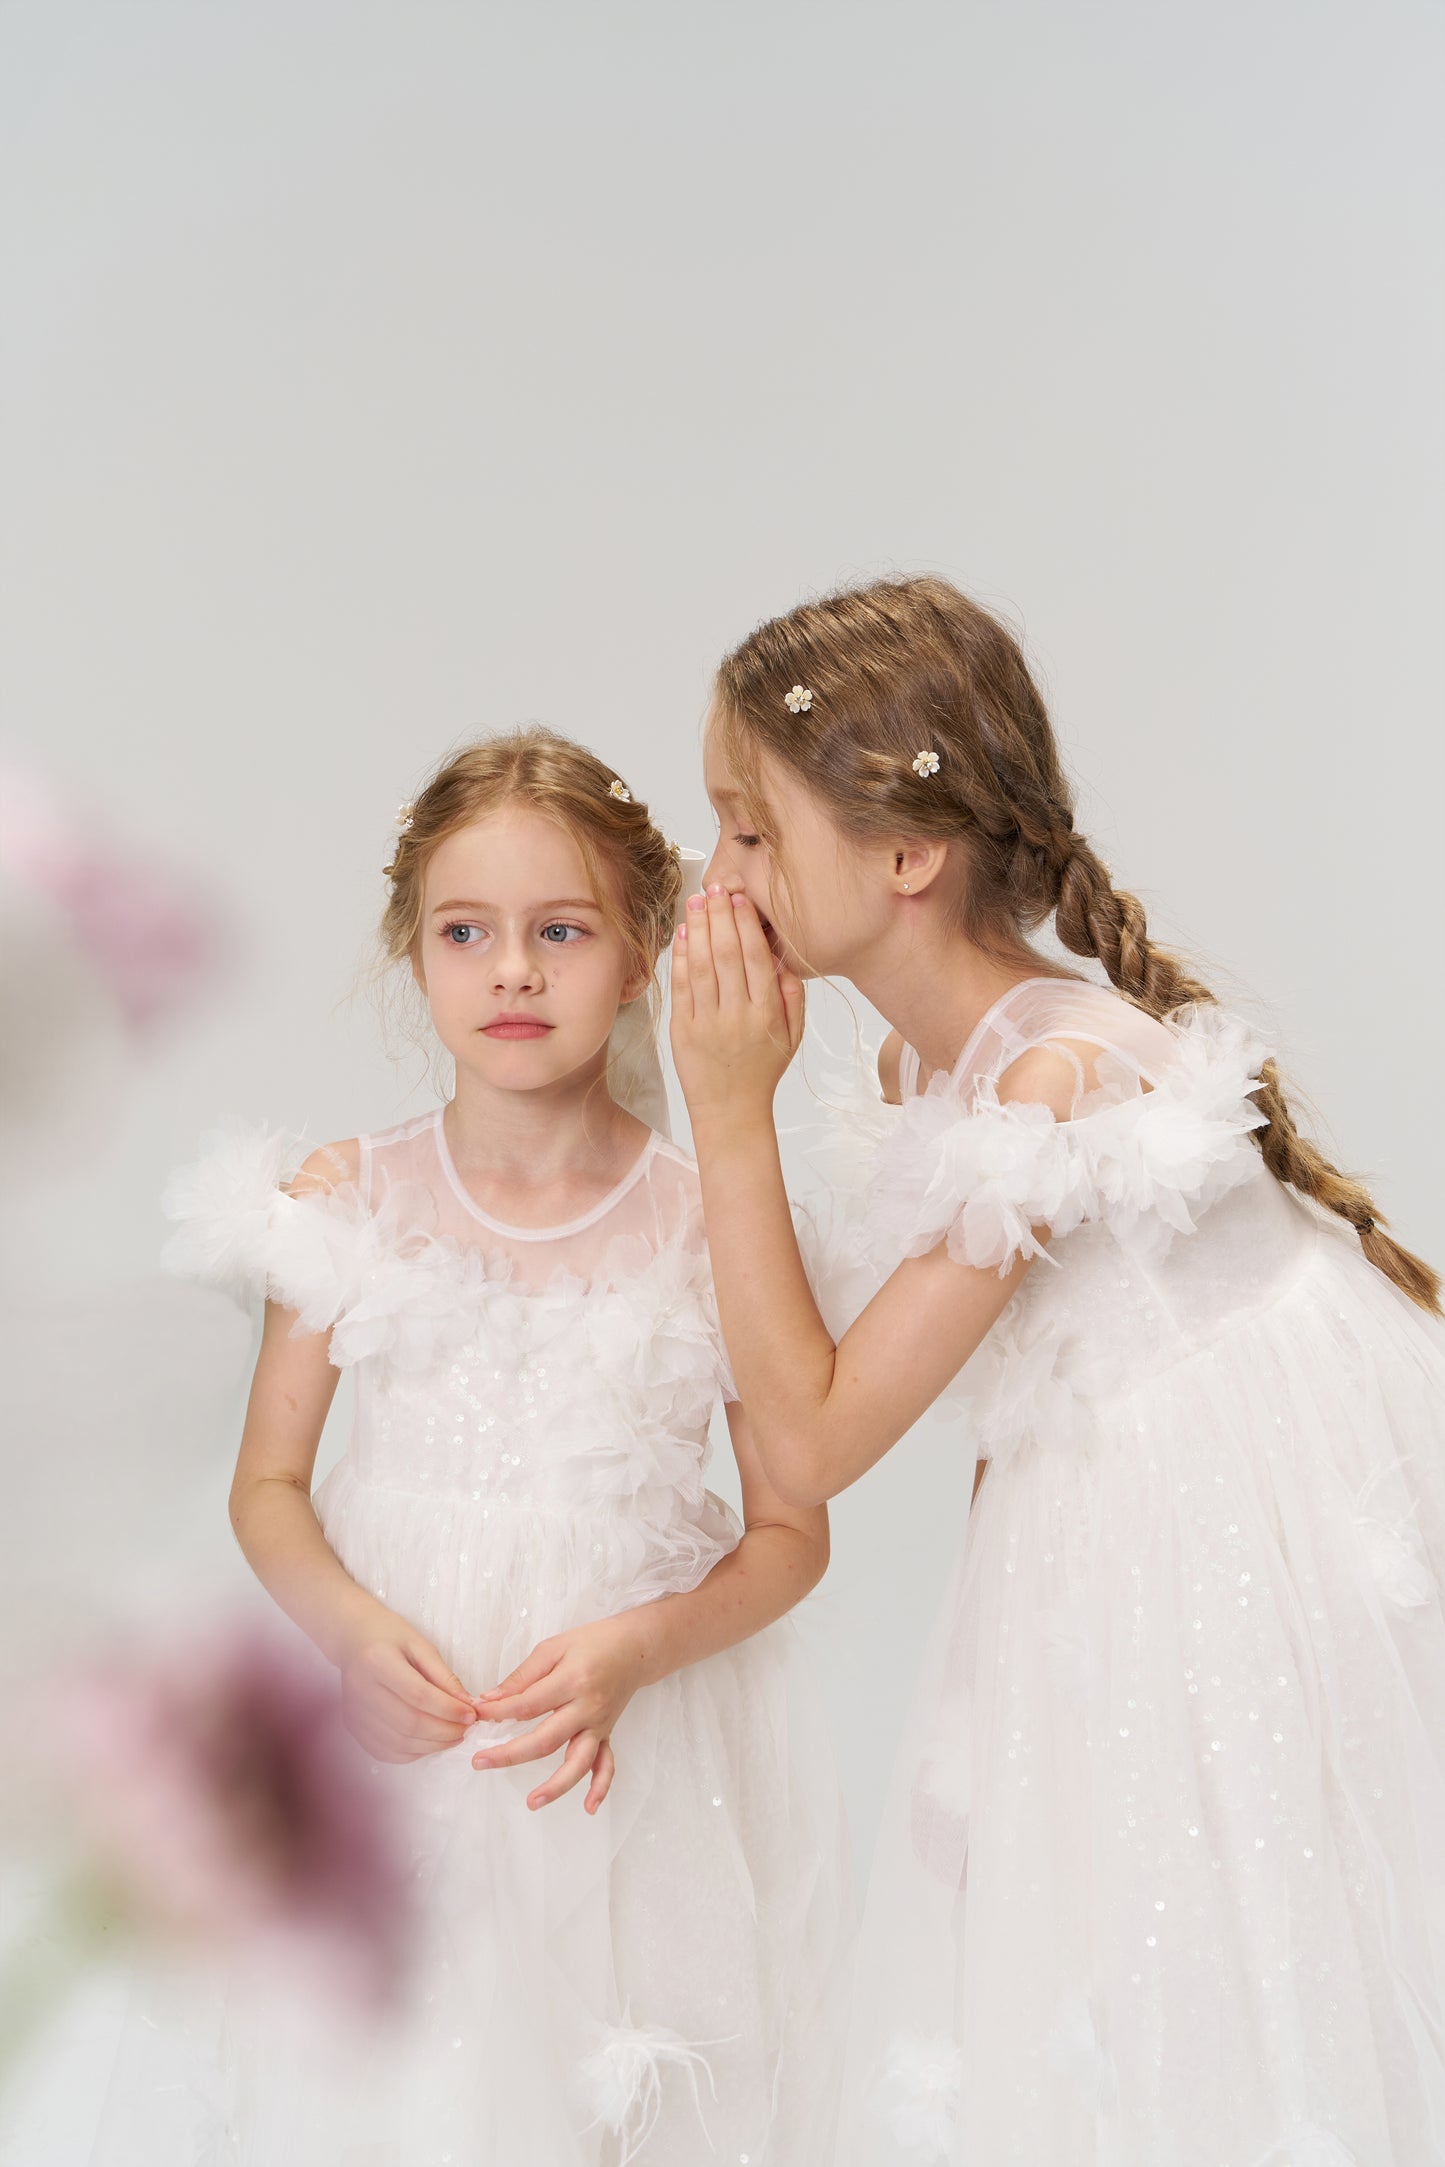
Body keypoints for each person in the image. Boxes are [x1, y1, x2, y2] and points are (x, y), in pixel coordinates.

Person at [669, 575, 1445, 2166]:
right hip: (1108, 1515)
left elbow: (810, 1445)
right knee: (1097, 1955)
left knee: (1237, 1948)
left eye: (748, 830)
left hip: (1236, 1531)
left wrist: (728, 1111)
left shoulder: (1054, 1073)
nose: (717, 876)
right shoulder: (926, 1060)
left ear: (905, 855)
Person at [108, 727, 849, 2167]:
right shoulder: (348, 1198)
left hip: (620, 1750)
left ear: (637, 959)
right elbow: (268, 1488)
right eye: (467, 933)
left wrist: (637, 1649)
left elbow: (790, 1534)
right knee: (406, 2093)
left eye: (560, 931)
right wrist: (350, 1637)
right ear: (416, 952)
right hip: (410, 1734)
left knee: (607, 2091)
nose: (512, 971)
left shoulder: (715, 1226)